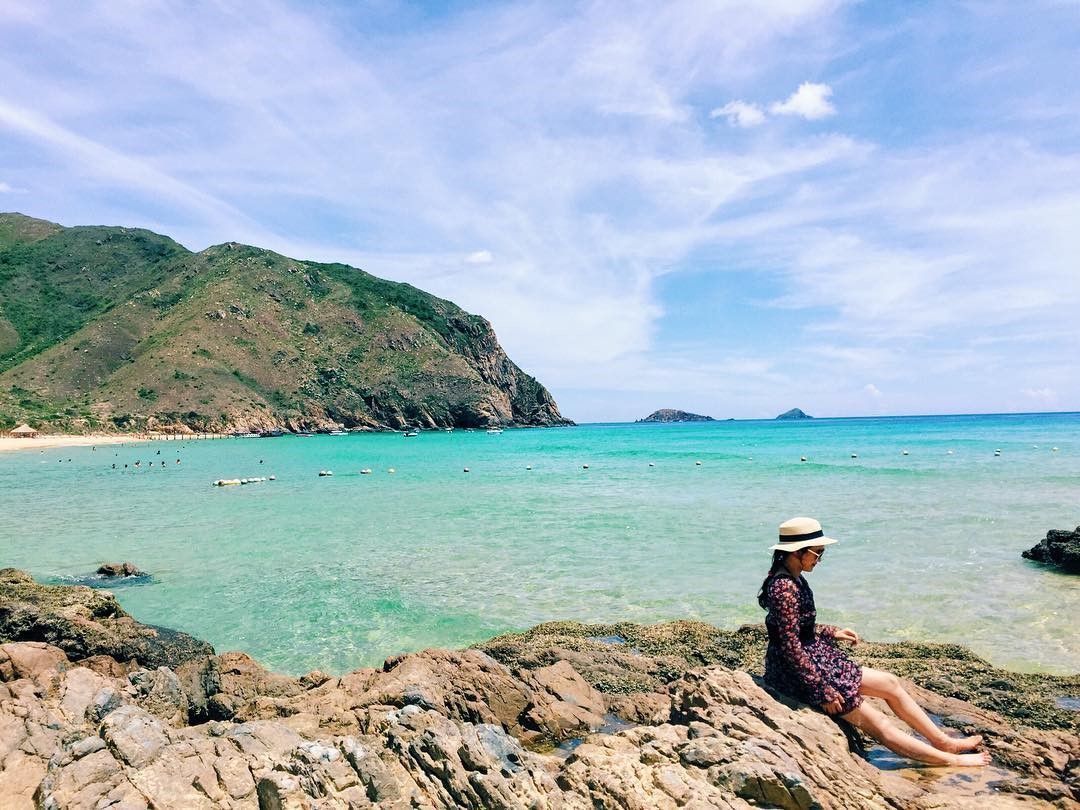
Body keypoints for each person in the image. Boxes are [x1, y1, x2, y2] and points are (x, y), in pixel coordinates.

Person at [759, 516, 990, 767]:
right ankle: (950, 760)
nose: (820, 560)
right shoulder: (784, 588)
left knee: (890, 683)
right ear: (797, 551)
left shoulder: (794, 577)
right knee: (880, 724)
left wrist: (832, 632)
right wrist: (822, 690)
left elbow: (796, 627)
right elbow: (789, 645)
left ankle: (944, 742)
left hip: (813, 657)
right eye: (818, 553)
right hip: (797, 672)